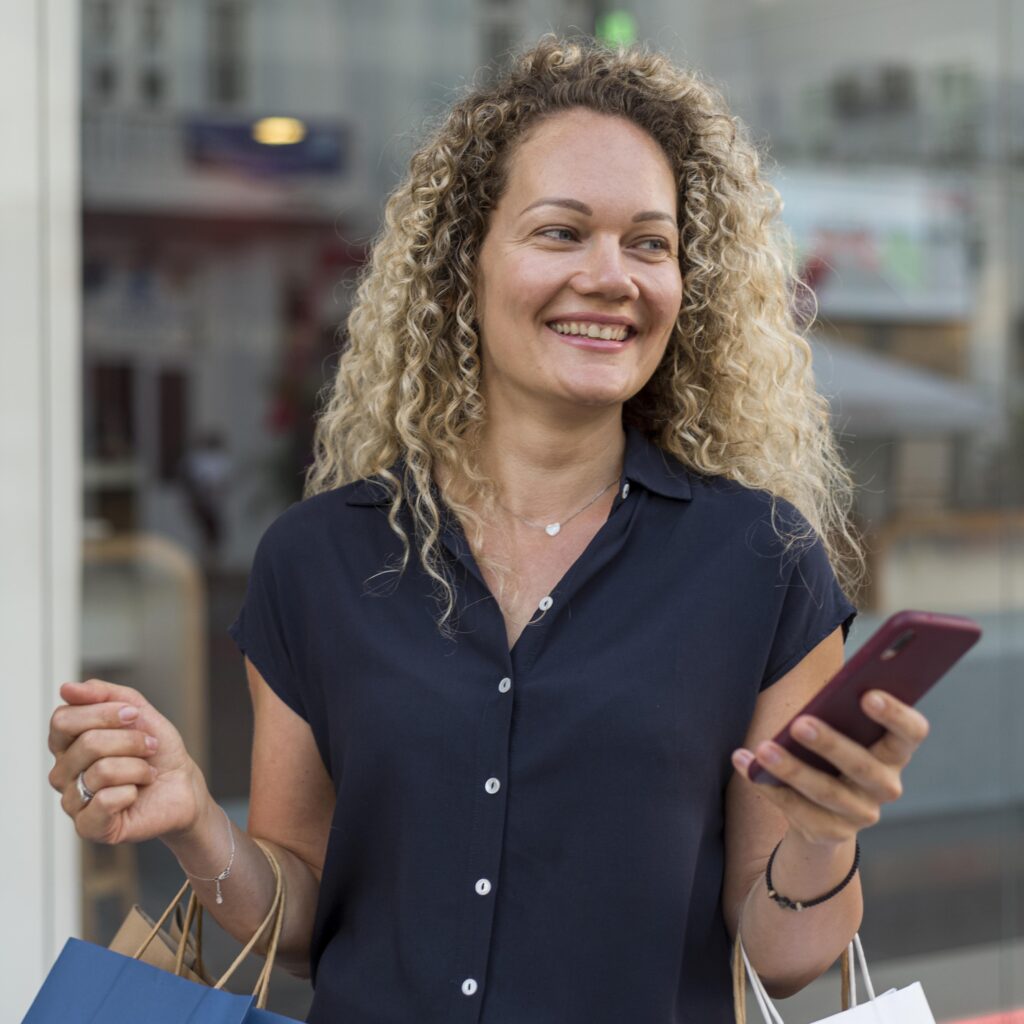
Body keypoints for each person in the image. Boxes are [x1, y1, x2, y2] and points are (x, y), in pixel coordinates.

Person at [46, 37, 931, 1023]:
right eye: (561, 233)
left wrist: (821, 833)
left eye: (649, 243)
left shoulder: (760, 565)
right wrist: (199, 823)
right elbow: (296, 919)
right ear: (462, 264)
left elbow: (785, 956)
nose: (612, 275)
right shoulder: (318, 560)